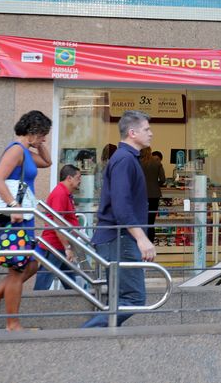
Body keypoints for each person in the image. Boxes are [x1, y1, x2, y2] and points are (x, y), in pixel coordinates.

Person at [0, 110, 52, 332]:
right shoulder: (16, 150)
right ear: (33, 130)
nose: (44, 139)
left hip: (22, 218)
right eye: (43, 134)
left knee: (30, 265)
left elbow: (47, 161)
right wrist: (12, 205)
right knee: (19, 269)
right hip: (14, 217)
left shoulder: (26, 151)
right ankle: (12, 323)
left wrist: (37, 144)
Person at [83, 110, 155, 328]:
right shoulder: (124, 160)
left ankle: (93, 342)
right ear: (132, 133)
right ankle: (83, 337)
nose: (151, 133)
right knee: (133, 299)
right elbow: (122, 206)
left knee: (120, 301)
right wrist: (142, 238)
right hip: (120, 238)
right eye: (147, 129)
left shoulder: (125, 158)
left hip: (117, 238)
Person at [33, 164, 82, 291]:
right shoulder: (60, 193)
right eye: (78, 177)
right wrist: (67, 247)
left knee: (69, 280)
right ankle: (34, 305)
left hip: (60, 243)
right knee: (45, 280)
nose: (80, 180)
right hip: (56, 244)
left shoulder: (64, 193)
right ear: (69, 178)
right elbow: (57, 222)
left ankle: (76, 303)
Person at [140, 147, 166, 243]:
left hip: (141, 195)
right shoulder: (157, 163)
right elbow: (163, 179)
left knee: (142, 220)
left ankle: (142, 241)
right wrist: (156, 184)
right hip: (155, 195)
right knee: (151, 221)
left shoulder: (138, 162)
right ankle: (150, 242)